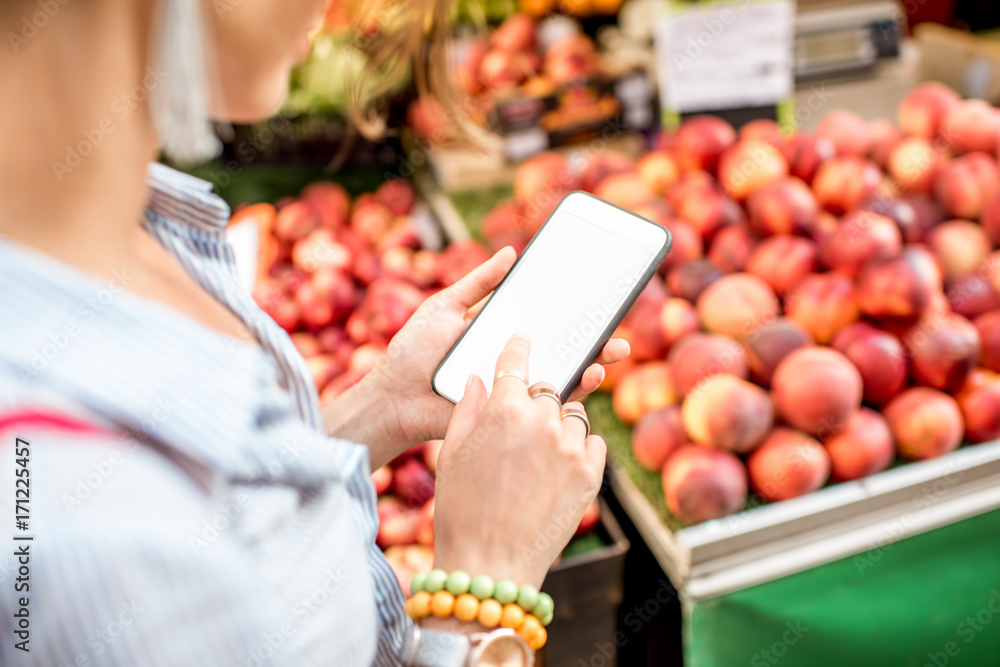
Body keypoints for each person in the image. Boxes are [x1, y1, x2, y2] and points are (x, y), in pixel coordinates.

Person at [0, 1, 629, 665]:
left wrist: (382, 406)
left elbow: (237, 534)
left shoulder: (135, 233)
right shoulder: (79, 539)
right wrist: (488, 588)